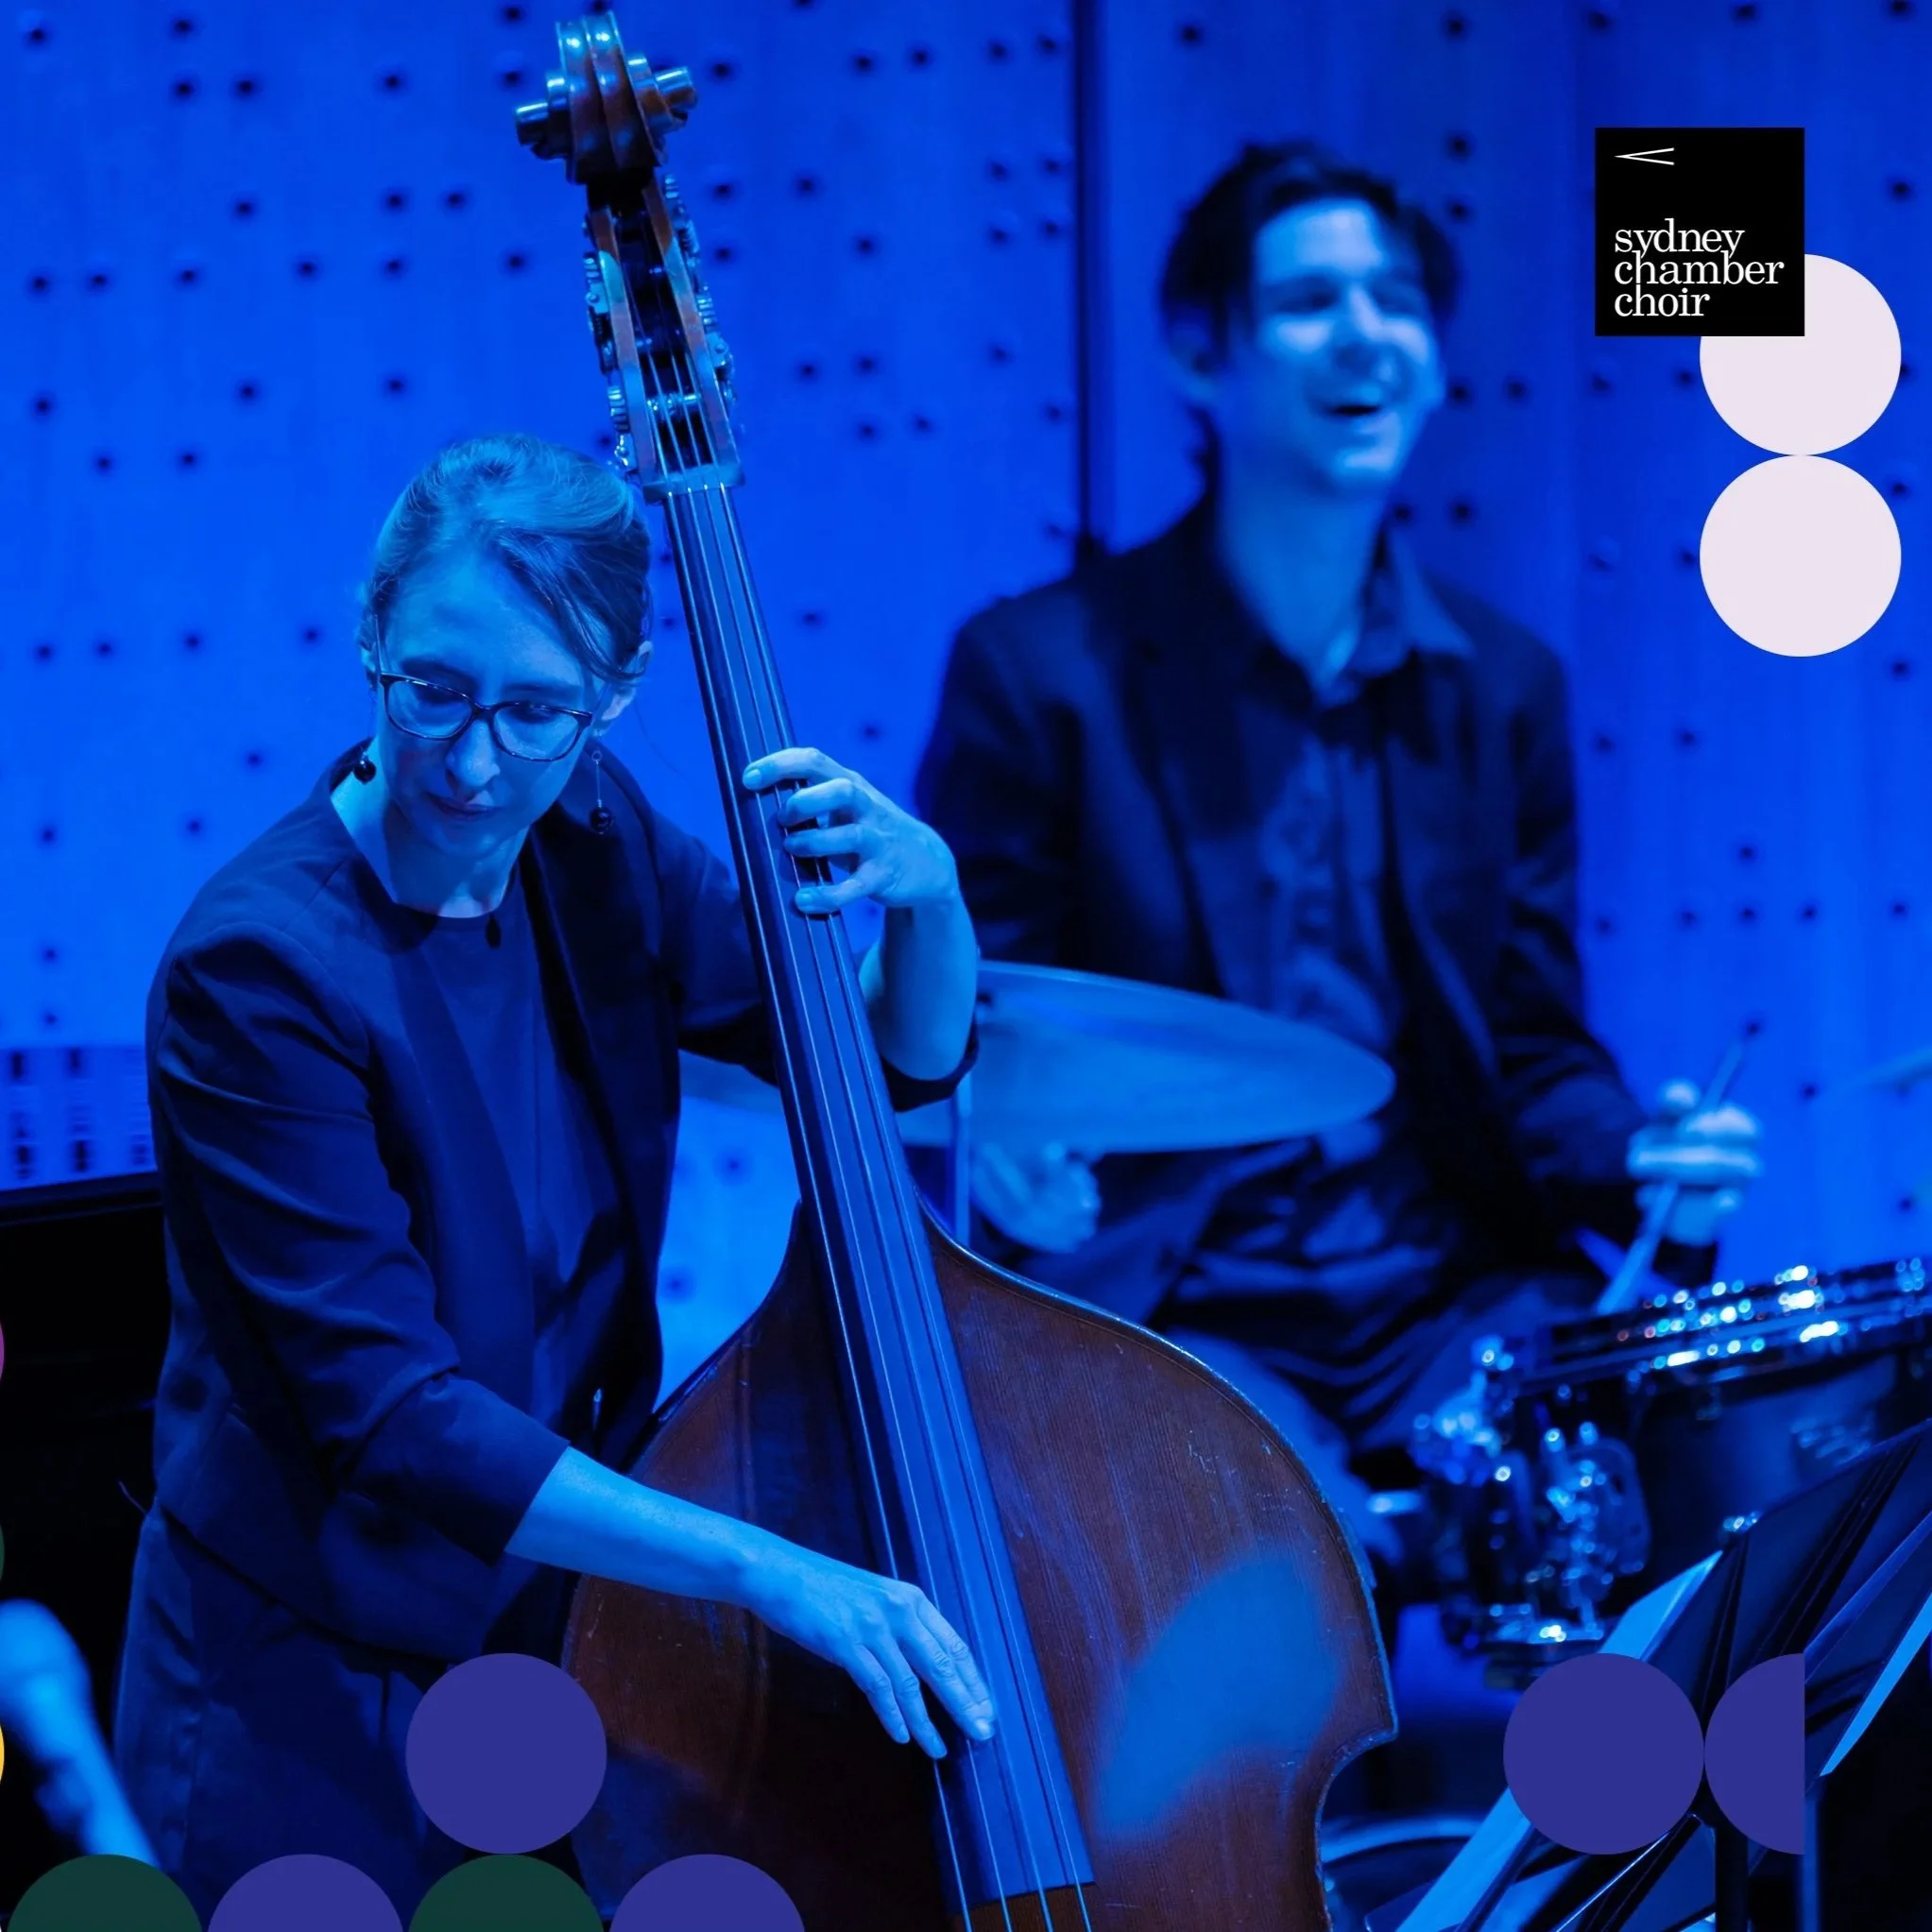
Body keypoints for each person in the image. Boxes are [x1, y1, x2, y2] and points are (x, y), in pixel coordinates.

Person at [113, 434, 997, 1919]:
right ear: (370, 639)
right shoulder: (257, 968)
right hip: (309, 1683)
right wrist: (775, 1573)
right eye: (433, 692)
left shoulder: (592, 837)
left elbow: (880, 1073)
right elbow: (397, 1421)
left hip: (531, 1638)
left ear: (616, 696)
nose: (470, 763)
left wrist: (930, 899)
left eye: (534, 711)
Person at [915, 142, 1762, 1579]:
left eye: (1400, 302)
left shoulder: (1501, 687)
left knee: (1713, 1495)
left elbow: (1533, 1045)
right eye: (1311, 301)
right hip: (1179, 1304)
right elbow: (964, 1033)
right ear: (1199, 356)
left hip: (1447, 1300)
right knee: (1271, 1569)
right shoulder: (1042, 673)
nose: (1369, 335)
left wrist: (1645, 1152)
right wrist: (998, 1146)